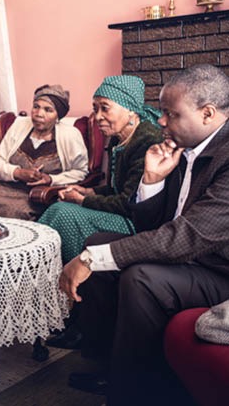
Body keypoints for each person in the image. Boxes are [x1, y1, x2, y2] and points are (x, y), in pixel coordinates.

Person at [60, 64, 229, 406]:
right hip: (189, 259)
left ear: (208, 113)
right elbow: (153, 226)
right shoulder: (184, 148)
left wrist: (92, 260)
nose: (162, 121)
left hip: (218, 273)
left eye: (170, 113)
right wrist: (152, 182)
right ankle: (109, 365)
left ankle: (135, 394)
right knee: (97, 241)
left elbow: (185, 237)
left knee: (141, 278)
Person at [39, 75, 162, 262]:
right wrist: (89, 190)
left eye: (105, 108)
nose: (97, 117)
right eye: (95, 109)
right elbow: (117, 187)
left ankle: (64, 277)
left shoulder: (148, 141)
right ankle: (37, 268)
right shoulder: (118, 138)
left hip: (137, 223)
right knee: (59, 208)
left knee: (65, 214)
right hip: (121, 212)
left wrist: (82, 200)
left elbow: (128, 203)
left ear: (130, 110)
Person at [0, 85, 88, 219]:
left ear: (58, 116)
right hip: (4, 188)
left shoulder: (70, 135)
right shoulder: (19, 125)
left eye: (48, 110)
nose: (39, 114)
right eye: (36, 107)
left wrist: (50, 179)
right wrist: (18, 173)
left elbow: (80, 172)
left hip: (37, 196)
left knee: (15, 211)